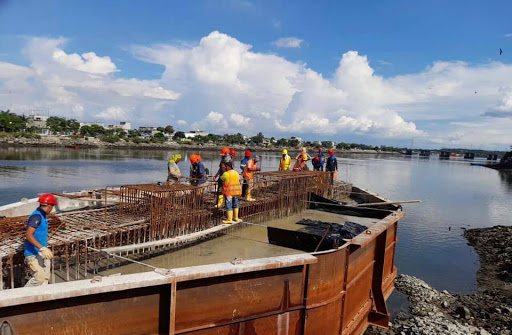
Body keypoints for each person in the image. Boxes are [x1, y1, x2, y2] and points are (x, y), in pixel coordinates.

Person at [24, 193, 56, 287]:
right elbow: (28, 235)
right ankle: (23, 294)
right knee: (39, 278)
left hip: (42, 252)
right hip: (32, 254)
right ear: (50, 206)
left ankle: (42, 298)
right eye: (52, 207)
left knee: (45, 278)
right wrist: (42, 248)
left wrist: (43, 249)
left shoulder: (43, 215)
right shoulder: (36, 217)